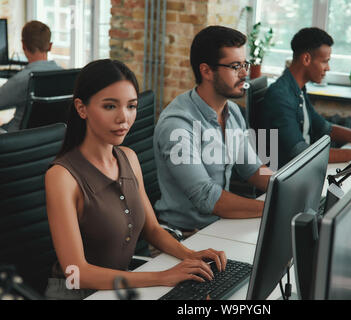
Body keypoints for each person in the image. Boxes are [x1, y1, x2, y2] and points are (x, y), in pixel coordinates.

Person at [44, 59, 226, 300]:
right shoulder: (62, 177)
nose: (124, 118)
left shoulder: (128, 157)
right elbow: (77, 273)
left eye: (131, 106)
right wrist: (163, 276)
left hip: (121, 287)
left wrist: (189, 255)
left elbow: (151, 229)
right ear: (82, 108)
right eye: (110, 107)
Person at [154, 26, 272, 232]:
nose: (245, 73)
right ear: (207, 71)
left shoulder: (232, 111)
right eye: (236, 66)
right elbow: (207, 198)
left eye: (245, 64)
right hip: (183, 236)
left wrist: (291, 189)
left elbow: (252, 169)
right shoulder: (177, 124)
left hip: (218, 226)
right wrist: (275, 207)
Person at [260, 27, 351, 167]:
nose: (328, 68)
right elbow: (300, 153)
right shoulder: (280, 96)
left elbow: (325, 128)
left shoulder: (297, 89)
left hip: (303, 169)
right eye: (325, 61)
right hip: (289, 175)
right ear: (306, 59)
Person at [0, 20, 62, 132]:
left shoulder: (22, 79)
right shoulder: (64, 76)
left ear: (23, 45)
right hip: (51, 141)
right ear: (50, 46)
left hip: (18, 142)